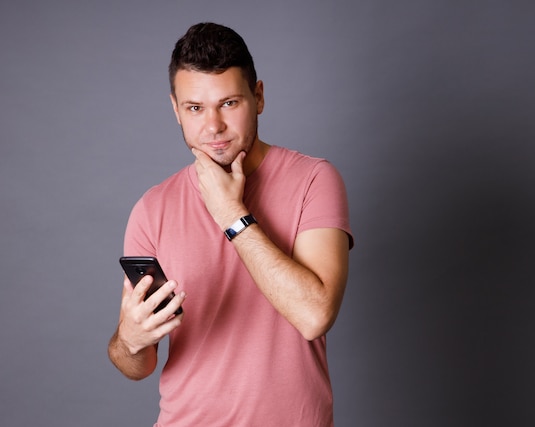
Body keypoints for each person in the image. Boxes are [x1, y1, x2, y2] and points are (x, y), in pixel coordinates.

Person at [108, 22, 353, 426]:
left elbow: (314, 315)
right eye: (195, 108)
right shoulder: (152, 208)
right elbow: (137, 365)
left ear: (257, 97)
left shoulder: (314, 180)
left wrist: (231, 215)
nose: (213, 127)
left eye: (229, 103)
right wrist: (129, 342)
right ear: (175, 109)